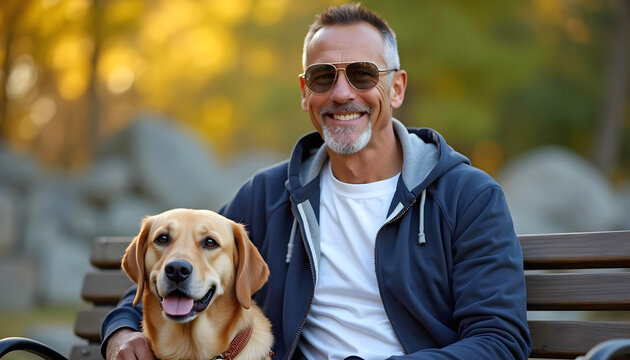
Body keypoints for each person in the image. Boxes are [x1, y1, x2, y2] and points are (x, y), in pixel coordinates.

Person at [101, 3, 532, 359]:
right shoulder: (268, 196)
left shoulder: (468, 198)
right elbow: (164, 278)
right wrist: (120, 333)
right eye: (324, 77)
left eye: (363, 74)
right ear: (306, 91)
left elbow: (500, 342)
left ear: (396, 88)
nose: (342, 93)